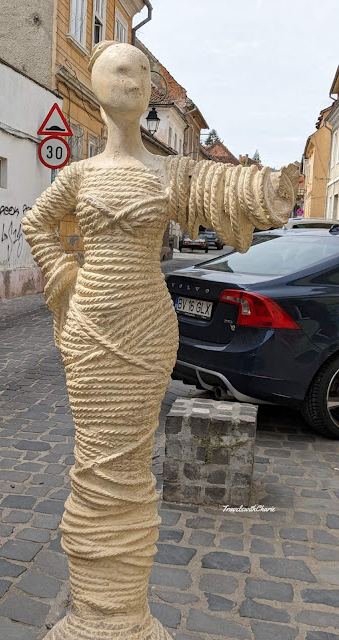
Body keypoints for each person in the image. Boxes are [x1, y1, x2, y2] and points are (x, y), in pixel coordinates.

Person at [22, 40, 297, 640]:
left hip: (146, 326)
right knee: (96, 461)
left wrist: (270, 186)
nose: (132, 76)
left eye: (142, 70)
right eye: (120, 68)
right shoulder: (79, 176)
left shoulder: (170, 173)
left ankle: (123, 616)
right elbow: (36, 222)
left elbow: (230, 189)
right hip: (92, 322)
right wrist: (64, 276)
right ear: (96, 85)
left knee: (129, 464)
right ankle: (96, 616)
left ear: (150, 91)